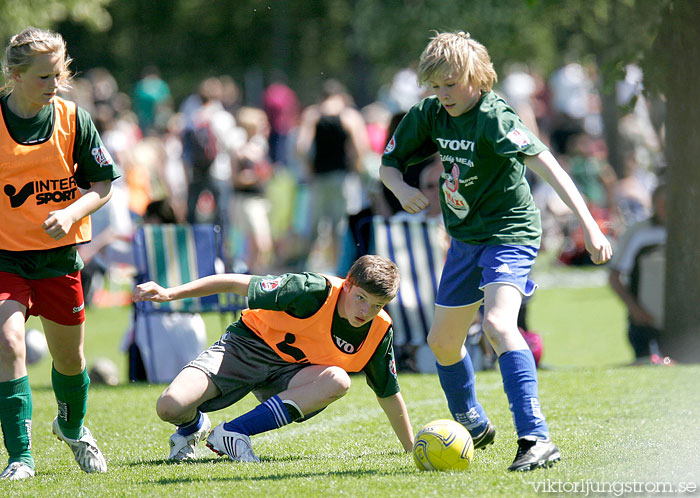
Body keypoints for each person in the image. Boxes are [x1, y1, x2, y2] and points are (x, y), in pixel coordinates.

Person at [380, 31, 612, 472]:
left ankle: (536, 438)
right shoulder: (431, 114)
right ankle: (473, 421)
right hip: (465, 239)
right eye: (435, 85)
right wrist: (402, 187)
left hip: (511, 232)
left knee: (498, 323)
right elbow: (388, 164)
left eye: (451, 84)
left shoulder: (495, 117)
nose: (442, 94)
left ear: (476, 78)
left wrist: (589, 226)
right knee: (442, 343)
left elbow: (549, 166)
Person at [132, 255, 414, 462]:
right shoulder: (310, 289)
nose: (366, 311)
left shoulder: (379, 330)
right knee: (169, 407)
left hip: (290, 373)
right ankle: (194, 427)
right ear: (348, 284)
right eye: (362, 298)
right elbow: (232, 283)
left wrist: (412, 449)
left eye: (377, 305)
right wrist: (171, 293)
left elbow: (388, 393)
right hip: (245, 347)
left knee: (338, 380)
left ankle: (233, 433)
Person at [0, 27, 120, 480]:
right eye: (44, 78)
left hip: (58, 258)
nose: (55, 86)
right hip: (5, 257)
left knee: (70, 360)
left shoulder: (73, 120)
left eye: (59, 74)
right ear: (15, 75)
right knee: (8, 341)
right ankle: (20, 457)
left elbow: (103, 185)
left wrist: (71, 214)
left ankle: (71, 427)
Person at [608, 184, 666, 363]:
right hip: (647, 322)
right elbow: (614, 277)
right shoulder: (639, 232)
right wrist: (635, 310)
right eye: (663, 203)